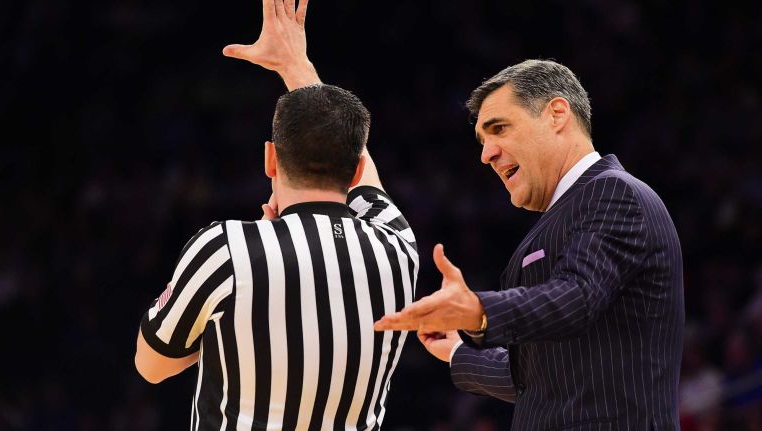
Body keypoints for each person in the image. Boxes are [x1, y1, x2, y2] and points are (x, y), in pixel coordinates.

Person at [134, 1, 418, 429]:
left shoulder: (225, 250)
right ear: (356, 168)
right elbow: (369, 182)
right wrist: (296, 65)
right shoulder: (397, 246)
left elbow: (151, 365)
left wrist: (228, 328)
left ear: (270, 159)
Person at [375, 60, 685, 430]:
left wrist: (478, 310)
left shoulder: (614, 192)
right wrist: (458, 351)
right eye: (483, 139)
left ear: (556, 114)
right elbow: (542, 379)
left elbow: (577, 295)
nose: (485, 154)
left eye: (499, 128)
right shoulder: (569, 213)